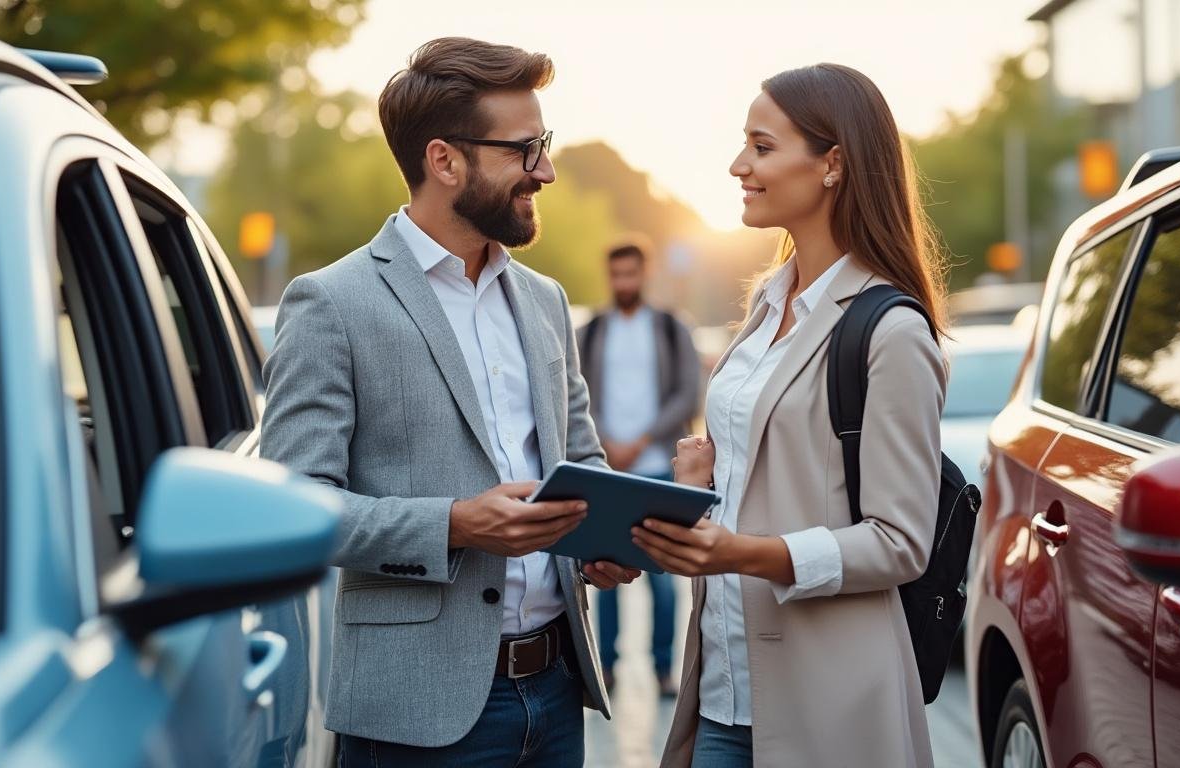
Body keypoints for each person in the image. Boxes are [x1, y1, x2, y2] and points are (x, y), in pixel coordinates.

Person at [260, 37, 639, 767]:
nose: (547, 171)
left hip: (558, 697)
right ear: (444, 160)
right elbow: (294, 508)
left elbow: (580, 460)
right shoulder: (331, 303)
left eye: (545, 145)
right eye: (525, 150)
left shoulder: (545, 301)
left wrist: (609, 540)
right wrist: (456, 526)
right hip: (416, 716)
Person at [633, 63, 949, 768]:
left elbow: (900, 542)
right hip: (723, 688)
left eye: (762, 146)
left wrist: (747, 554)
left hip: (829, 708)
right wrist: (696, 486)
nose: (738, 164)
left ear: (832, 163)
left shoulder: (892, 331)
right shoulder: (767, 305)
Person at [576, 238, 701, 696]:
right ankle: (604, 667)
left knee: (662, 580)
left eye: (631, 274)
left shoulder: (671, 328)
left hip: (659, 467)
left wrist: (644, 439)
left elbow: (688, 392)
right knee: (603, 572)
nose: (624, 282)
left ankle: (663, 669)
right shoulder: (590, 331)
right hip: (607, 468)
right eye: (617, 275)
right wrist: (607, 440)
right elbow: (578, 392)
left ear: (644, 274)